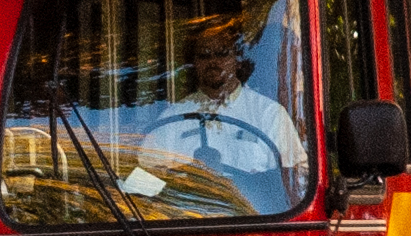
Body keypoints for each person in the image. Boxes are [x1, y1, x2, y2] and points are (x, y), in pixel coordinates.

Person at [130, 15, 306, 214]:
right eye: (204, 55)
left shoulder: (269, 114)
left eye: (222, 53)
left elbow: (297, 183)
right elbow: (143, 185)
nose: (213, 61)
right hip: (187, 226)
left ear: (238, 60)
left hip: (255, 224)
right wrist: (184, 176)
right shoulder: (172, 119)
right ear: (194, 63)